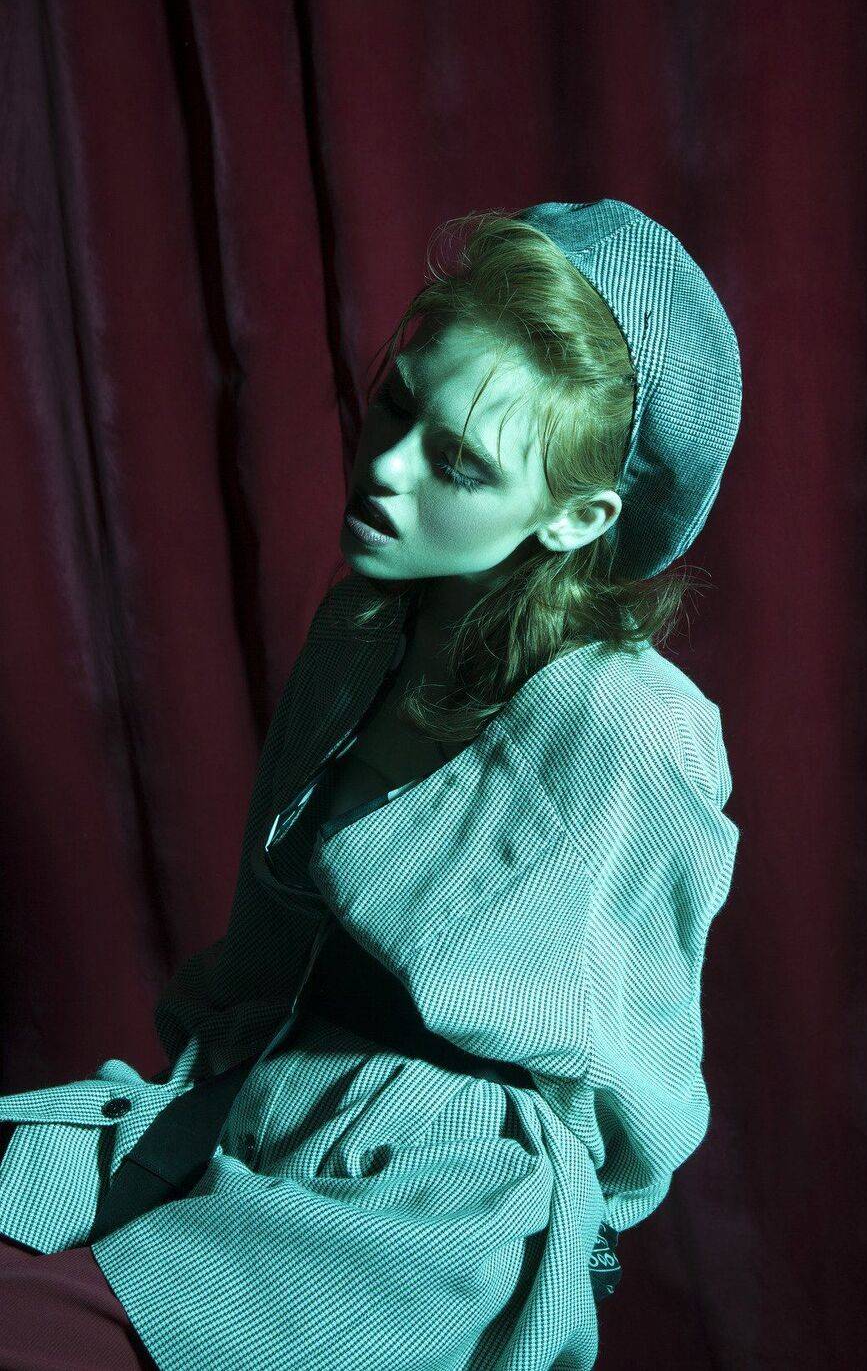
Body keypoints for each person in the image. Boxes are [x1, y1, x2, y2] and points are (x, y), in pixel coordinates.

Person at [0, 200, 742, 1369]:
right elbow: (267, 942)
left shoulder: (626, 724)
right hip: (255, 1098)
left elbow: (638, 1091)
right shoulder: (361, 625)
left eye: (459, 464)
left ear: (576, 516)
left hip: (430, 1206)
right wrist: (196, 1106)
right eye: (398, 406)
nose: (386, 472)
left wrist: (544, 1221)